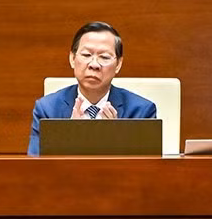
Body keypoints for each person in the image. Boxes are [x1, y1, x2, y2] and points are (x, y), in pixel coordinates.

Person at [27, 21, 158, 156]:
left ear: (118, 64)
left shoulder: (141, 112)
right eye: (86, 55)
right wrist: (68, 140)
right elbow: (37, 170)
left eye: (104, 57)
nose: (94, 64)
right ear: (72, 58)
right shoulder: (47, 110)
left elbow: (147, 172)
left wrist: (116, 142)